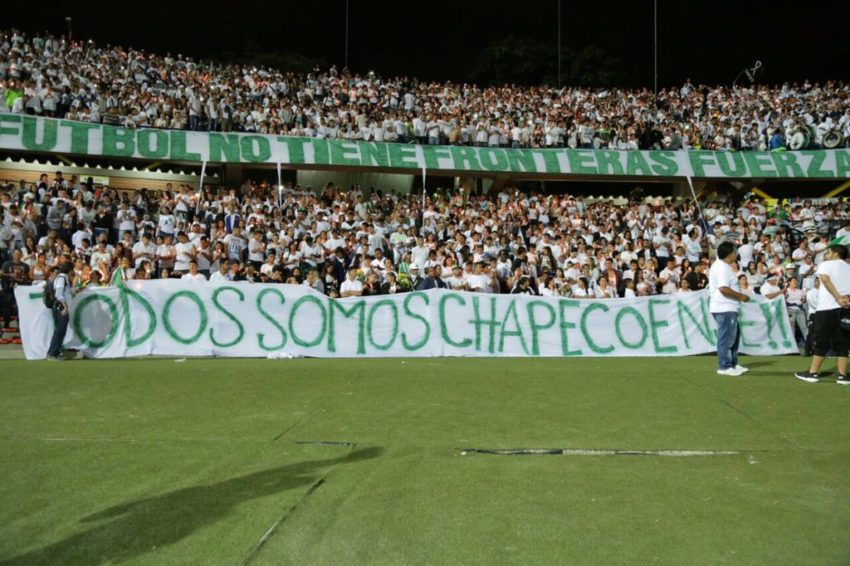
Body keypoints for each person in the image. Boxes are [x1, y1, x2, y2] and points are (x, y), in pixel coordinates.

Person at [795, 245, 850, 384]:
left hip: (826, 308)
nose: (826, 254)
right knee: (843, 343)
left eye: (829, 251)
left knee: (821, 341)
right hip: (845, 309)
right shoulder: (848, 267)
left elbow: (825, 280)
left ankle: (813, 373)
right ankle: (843, 375)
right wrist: (846, 299)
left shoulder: (826, 264)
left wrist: (838, 297)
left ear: (836, 253)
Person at [708, 242, 750, 376]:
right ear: (729, 254)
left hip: (728, 307)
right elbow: (723, 289)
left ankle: (732, 363)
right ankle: (724, 366)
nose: (736, 253)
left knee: (733, 336)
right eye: (734, 251)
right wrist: (741, 296)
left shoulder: (724, 266)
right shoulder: (722, 268)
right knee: (726, 338)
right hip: (724, 307)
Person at [47, 262, 73, 361]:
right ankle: (52, 353)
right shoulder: (62, 279)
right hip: (61, 308)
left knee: (61, 331)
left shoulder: (61, 278)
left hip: (59, 307)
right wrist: (65, 307)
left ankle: (55, 352)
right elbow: (59, 294)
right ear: (69, 270)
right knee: (59, 331)